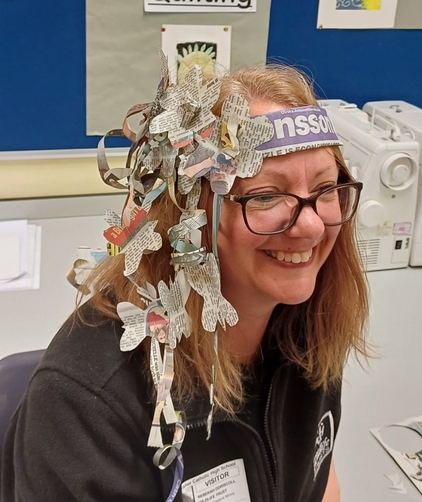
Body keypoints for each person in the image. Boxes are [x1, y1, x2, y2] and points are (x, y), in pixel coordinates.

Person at [1, 59, 369, 502]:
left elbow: (319, 478)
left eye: (326, 189)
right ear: (190, 217)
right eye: (266, 195)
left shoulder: (308, 324)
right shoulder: (84, 404)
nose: (310, 226)